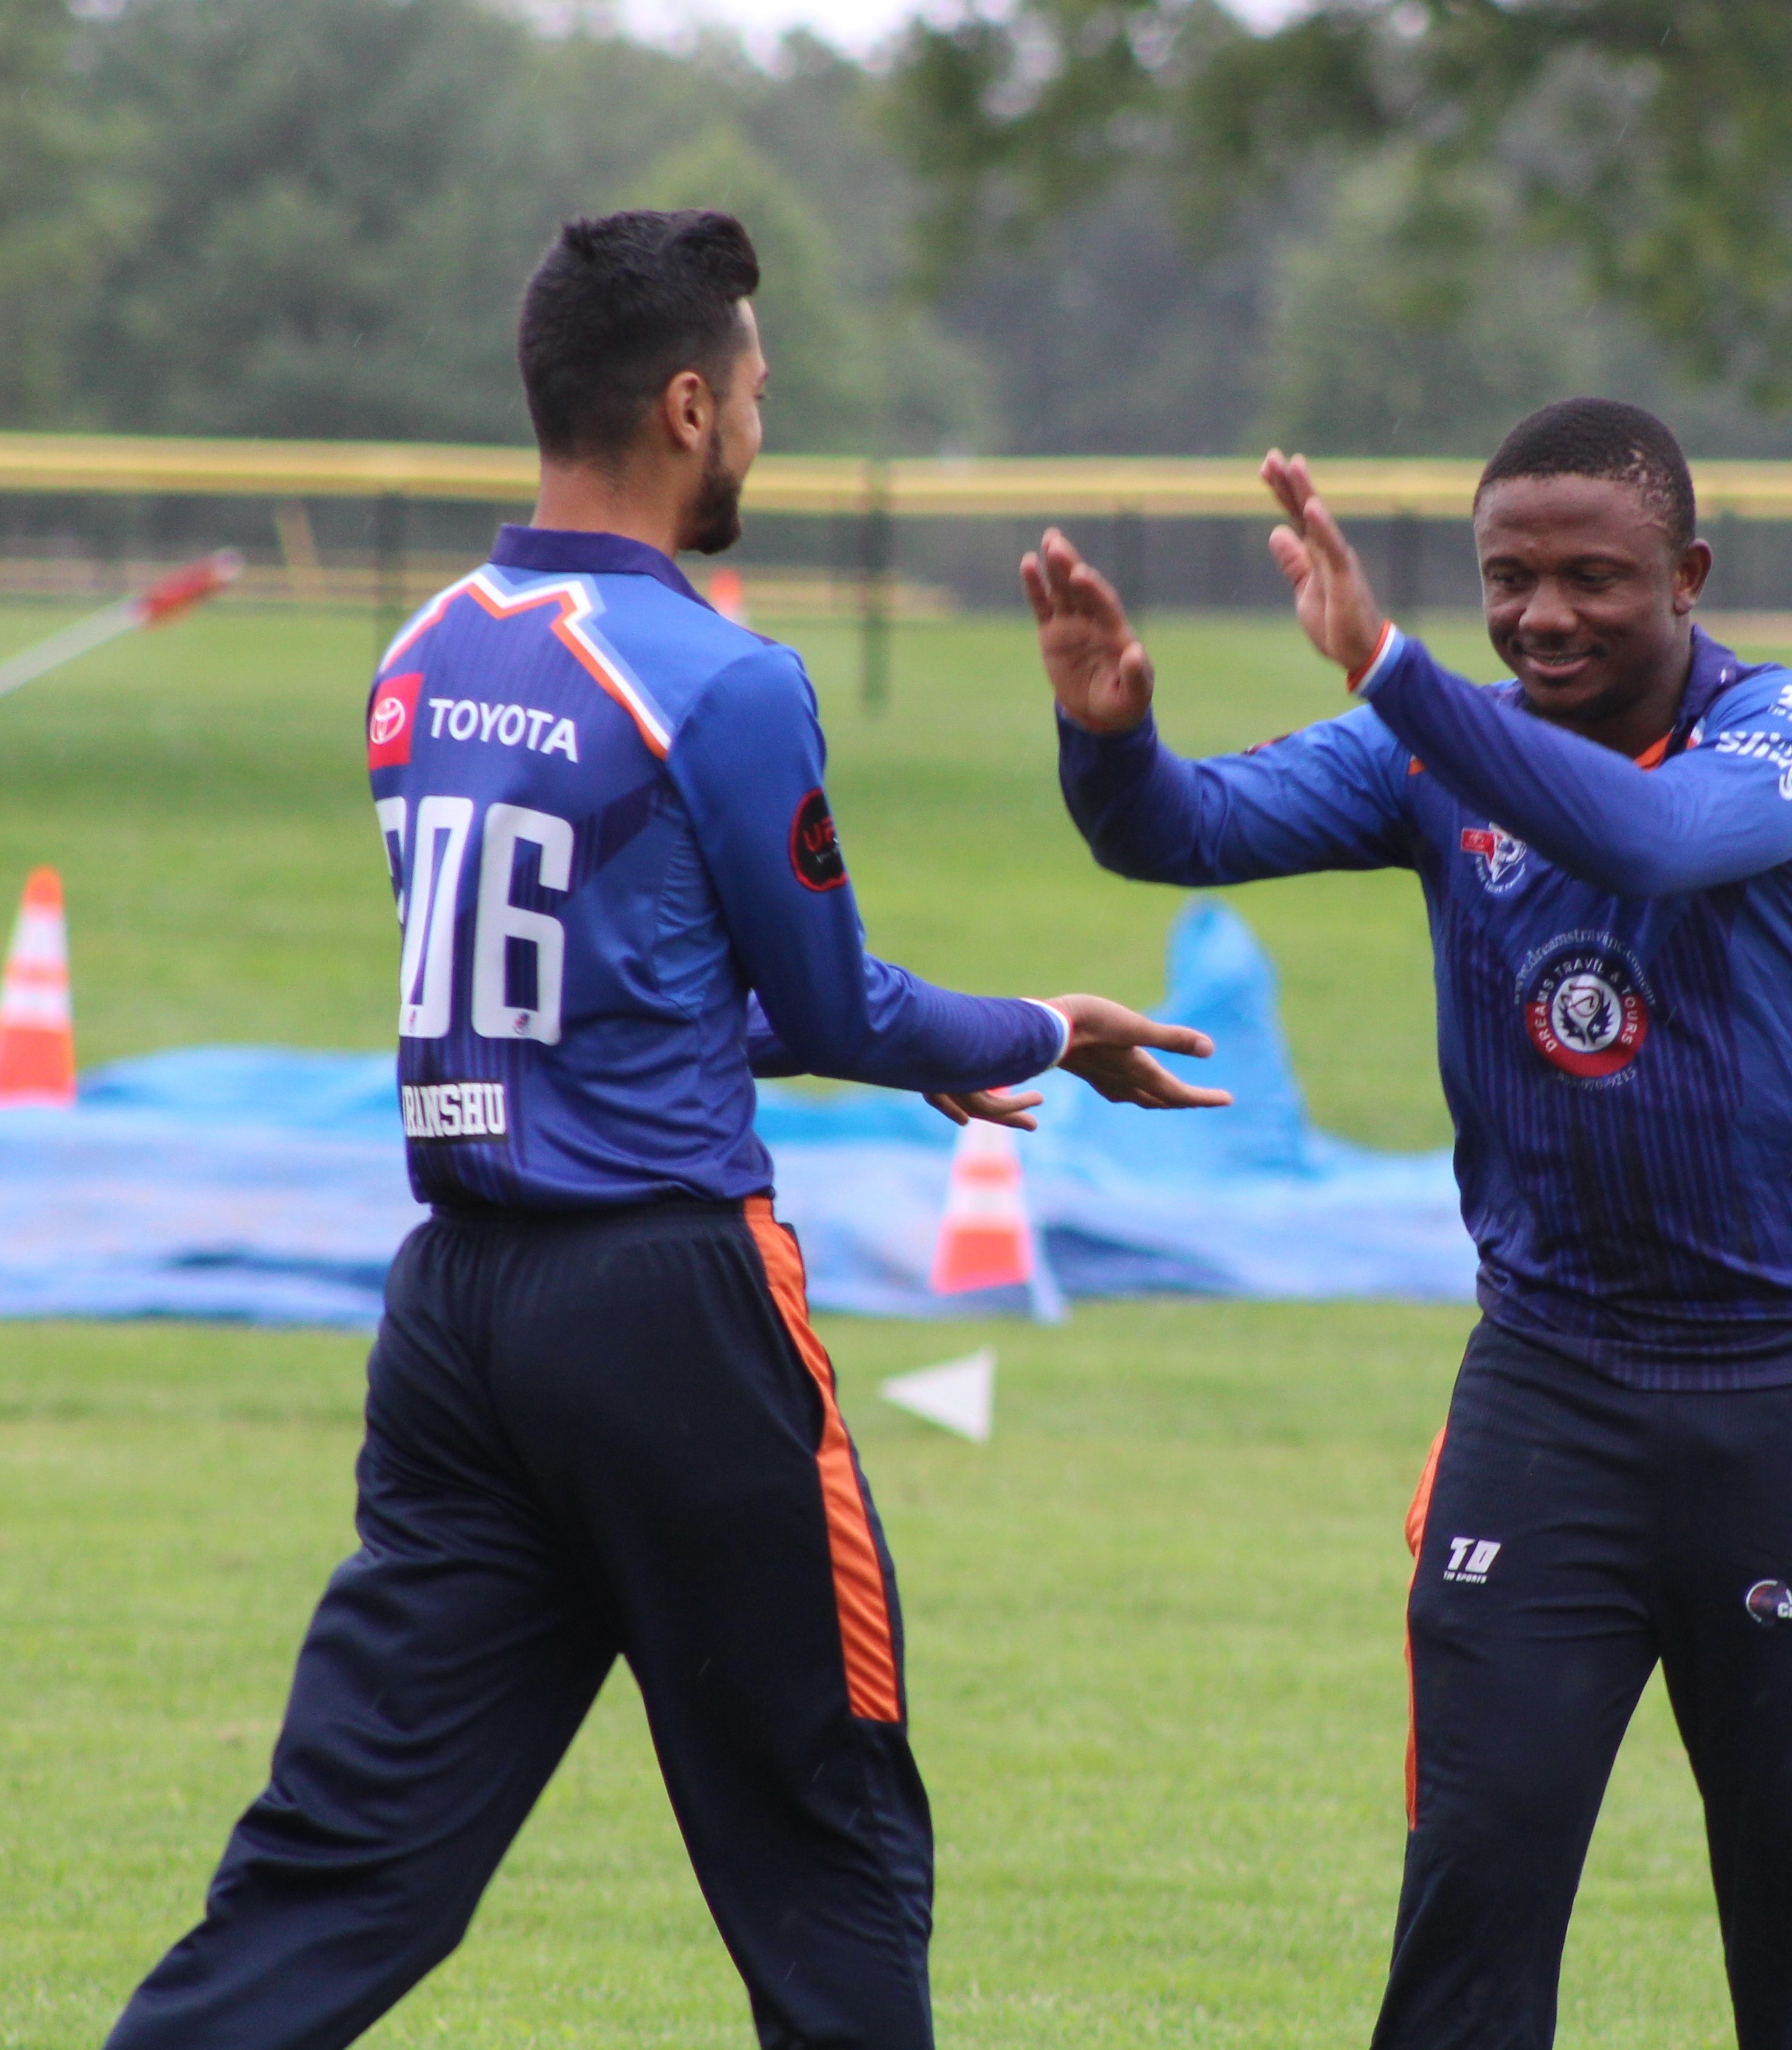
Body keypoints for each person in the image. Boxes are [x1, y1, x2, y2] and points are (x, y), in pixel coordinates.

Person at [107, 208, 1227, 2050]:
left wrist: (855, 1039)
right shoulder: (718, 673)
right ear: (689, 403)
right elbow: (835, 1004)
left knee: (345, 1862)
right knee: (830, 1832)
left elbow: (636, 997)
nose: (766, 434)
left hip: (456, 1315)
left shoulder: (418, 652)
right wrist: (1045, 1027)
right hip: (672, 1313)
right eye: (763, 395)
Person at [1025, 397, 1792, 2050]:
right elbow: (1180, 834)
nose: (1544, 615)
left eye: (1594, 577)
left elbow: (1647, 842)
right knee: (1469, 1917)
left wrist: (1394, 673)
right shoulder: (1429, 751)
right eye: (1509, 579)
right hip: (1551, 1397)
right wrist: (1110, 739)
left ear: (1689, 576)